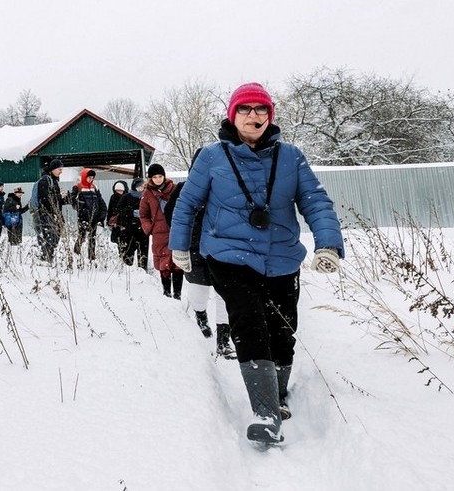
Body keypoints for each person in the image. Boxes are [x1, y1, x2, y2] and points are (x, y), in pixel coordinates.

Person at [169, 82, 344, 445]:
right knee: (249, 323)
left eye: (261, 109)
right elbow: (187, 204)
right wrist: (179, 247)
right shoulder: (212, 157)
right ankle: (264, 412)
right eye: (246, 109)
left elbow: (315, 201)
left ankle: (278, 393)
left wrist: (327, 244)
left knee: (283, 329)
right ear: (233, 116)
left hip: (281, 258)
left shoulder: (291, 156)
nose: (254, 116)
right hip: (229, 256)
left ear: (270, 116)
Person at [164, 149, 234, 358]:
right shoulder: (184, 188)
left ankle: (223, 342)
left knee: (225, 295)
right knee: (199, 292)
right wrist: (185, 239)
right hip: (194, 249)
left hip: (222, 249)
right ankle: (201, 317)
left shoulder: (226, 187)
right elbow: (171, 215)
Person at [140, 162, 183, 298]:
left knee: (177, 263)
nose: (158, 179)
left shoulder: (175, 189)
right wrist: (150, 228)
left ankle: (177, 295)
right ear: (150, 179)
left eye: (160, 176)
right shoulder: (147, 194)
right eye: (155, 177)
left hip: (176, 230)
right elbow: (143, 214)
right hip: (159, 233)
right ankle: (166, 294)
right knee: (164, 264)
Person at [34, 158, 68, 262]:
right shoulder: (45, 180)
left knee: (53, 236)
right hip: (46, 214)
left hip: (54, 214)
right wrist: (59, 196)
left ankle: (48, 257)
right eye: (59, 169)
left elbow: (55, 200)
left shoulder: (53, 181)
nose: (61, 171)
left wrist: (66, 198)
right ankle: (46, 258)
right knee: (50, 236)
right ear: (53, 169)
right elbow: (45, 199)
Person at [72, 168, 107, 260]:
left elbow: (100, 200)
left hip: (94, 217)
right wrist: (81, 208)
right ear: (84, 177)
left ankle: (92, 257)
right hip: (83, 217)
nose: (91, 179)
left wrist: (102, 212)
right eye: (89, 177)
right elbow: (73, 202)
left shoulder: (94, 187)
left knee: (92, 238)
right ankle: (76, 253)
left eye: (92, 178)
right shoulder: (78, 187)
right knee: (82, 236)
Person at [114, 178, 148, 269]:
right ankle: (128, 270)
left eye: (142, 187)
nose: (141, 189)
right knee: (129, 250)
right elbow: (119, 209)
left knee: (143, 251)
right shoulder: (126, 197)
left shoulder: (146, 197)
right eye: (139, 187)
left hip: (143, 229)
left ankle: (143, 269)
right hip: (129, 229)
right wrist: (132, 212)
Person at [106, 180, 128, 254]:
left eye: (120, 190)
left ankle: (125, 255)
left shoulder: (127, 197)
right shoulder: (113, 197)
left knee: (126, 240)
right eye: (117, 190)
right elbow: (109, 210)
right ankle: (121, 254)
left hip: (125, 222)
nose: (119, 192)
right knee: (119, 240)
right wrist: (108, 221)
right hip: (117, 222)